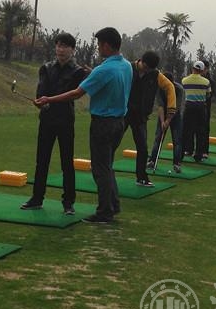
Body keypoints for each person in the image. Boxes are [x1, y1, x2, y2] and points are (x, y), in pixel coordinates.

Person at [35, 27, 132, 224]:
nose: (98, 48)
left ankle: (104, 212)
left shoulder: (103, 70)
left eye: (99, 45)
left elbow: (76, 93)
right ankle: (113, 205)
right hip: (119, 123)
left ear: (106, 45)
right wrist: (93, 73)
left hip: (103, 123)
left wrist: (49, 99)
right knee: (107, 165)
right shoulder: (126, 65)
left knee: (100, 169)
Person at [20, 33, 89, 215]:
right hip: (47, 119)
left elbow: (72, 94)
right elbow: (41, 91)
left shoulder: (78, 72)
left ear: (72, 50)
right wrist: (39, 102)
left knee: (67, 162)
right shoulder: (46, 68)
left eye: (64, 46)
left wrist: (49, 99)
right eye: (58, 45)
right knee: (41, 160)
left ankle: (68, 202)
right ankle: (37, 198)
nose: (60, 49)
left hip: (65, 120)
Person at [124, 51, 176, 187]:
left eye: (150, 69)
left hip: (140, 116)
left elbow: (170, 87)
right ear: (141, 61)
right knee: (112, 143)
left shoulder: (155, 74)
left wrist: (170, 111)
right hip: (123, 112)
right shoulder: (128, 68)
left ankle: (141, 177)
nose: (147, 71)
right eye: (146, 67)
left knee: (143, 148)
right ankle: (102, 171)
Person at [147, 72, 184, 173]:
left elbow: (176, 107)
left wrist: (168, 121)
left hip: (175, 115)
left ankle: (177, 164)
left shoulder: (179, 89)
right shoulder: (159, 88)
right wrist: (163, 121)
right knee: (158, 138)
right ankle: (152, 161)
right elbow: (160, 106)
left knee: (177, 140)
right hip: (163, 114)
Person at [181, 61, 211, 162]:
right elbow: (208, 95)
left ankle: (184, 152)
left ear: (192, 68)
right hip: (201, 107)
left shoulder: (184, 80)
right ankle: (198, 155)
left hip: (189, 107)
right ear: (202, 71)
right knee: (201, 131)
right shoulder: (206, 82)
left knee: (186, 130)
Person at [201, 59, 214, 159]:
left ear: (207, 69)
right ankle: (189, 149)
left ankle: (205, 151)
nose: (202, 70)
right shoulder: (195, 78)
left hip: (205, 108)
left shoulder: (210, 81)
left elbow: (210, 95)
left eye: (204, 68)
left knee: (205, 129)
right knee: (192, 128)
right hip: (194, 106)